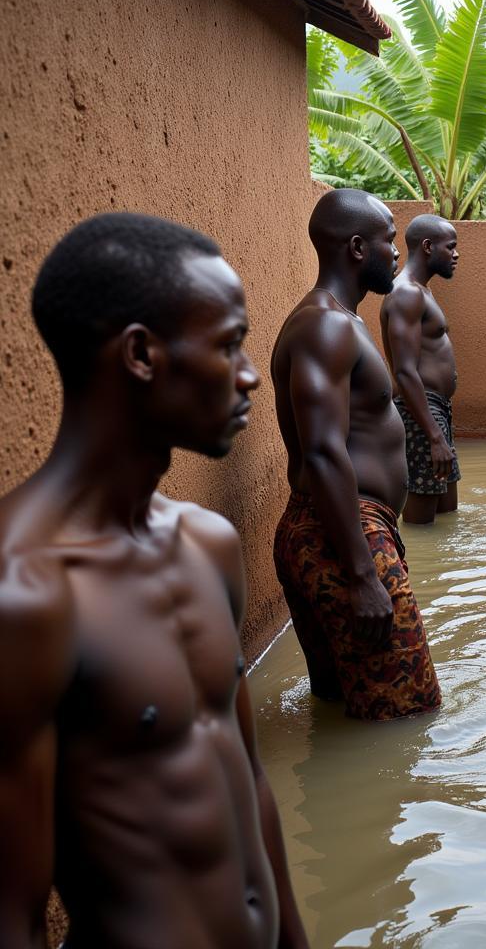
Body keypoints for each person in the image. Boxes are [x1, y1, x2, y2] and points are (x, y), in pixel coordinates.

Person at [0, 213, 307, 948]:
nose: (249, 374)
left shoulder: (208, 545)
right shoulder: (27, 596)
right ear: (140, 354)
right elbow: (11, 915)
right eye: (229, 344)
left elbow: (251, 783)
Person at [271, 189, 442, 720]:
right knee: (409, 715)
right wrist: (363, 572)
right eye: (389, 240)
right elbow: (323, 452)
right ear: (355, 247)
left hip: (335, 531)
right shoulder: (327, 325)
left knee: (343, 711)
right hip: (345, 534)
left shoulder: (337, 321)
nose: (396, 251)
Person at [380, 214, 460, 525]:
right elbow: (405, 371)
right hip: (420, 414)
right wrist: (434, 435)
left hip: (435, 411)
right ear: (427, 246)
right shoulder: (407, 293)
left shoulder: (422, 290)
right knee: (421, 522)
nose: (456, 254)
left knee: (447, 515)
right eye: (450, 247)